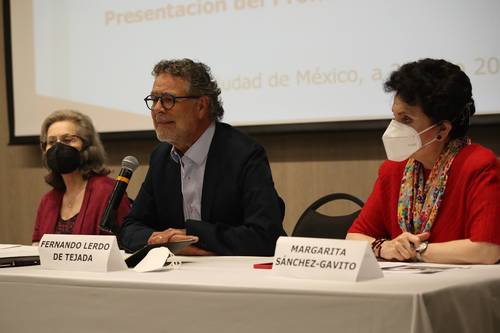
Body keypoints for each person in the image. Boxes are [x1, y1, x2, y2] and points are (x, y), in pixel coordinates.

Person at [120, 58, 285, 255]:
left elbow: (265, 236)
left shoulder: (243, 154)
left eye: (167, 100)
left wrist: (193, 236)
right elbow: (131, 227)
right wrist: (161, 239)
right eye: (154, 100)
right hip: (178, 274)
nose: (157, 109)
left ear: (201, 106)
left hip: (234, 276)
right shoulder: (161, 157)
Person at [347, 58, 500, 264]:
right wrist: (385, 247)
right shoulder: (394, 169)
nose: (394, 127)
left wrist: (415, 250)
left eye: (406, 119)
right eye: (395, 117)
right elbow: (353, 238)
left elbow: (486, 250)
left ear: (443, 129)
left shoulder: (479, 165)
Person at [32, 110, 131, 244]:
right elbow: (37, 246)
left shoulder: (109, 192)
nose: (58, 147)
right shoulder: (48, 201)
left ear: (87, 146)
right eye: (51, 141)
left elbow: (125, 245)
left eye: (68, 140)